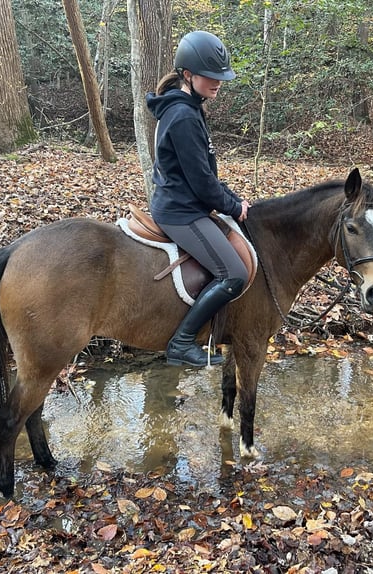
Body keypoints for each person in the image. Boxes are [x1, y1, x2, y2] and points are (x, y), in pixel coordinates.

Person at [146, 30, 250, 367]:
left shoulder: (187, 106)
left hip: (182, 200)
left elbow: (206, 175)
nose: (218, 83)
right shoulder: (184, 116)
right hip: (180, 211)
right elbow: (204, 185)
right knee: (233, 273)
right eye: (211, 76)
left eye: (222, 76)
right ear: (188, 75)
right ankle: (181, 342)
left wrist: (235, 199)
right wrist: (234, 206)